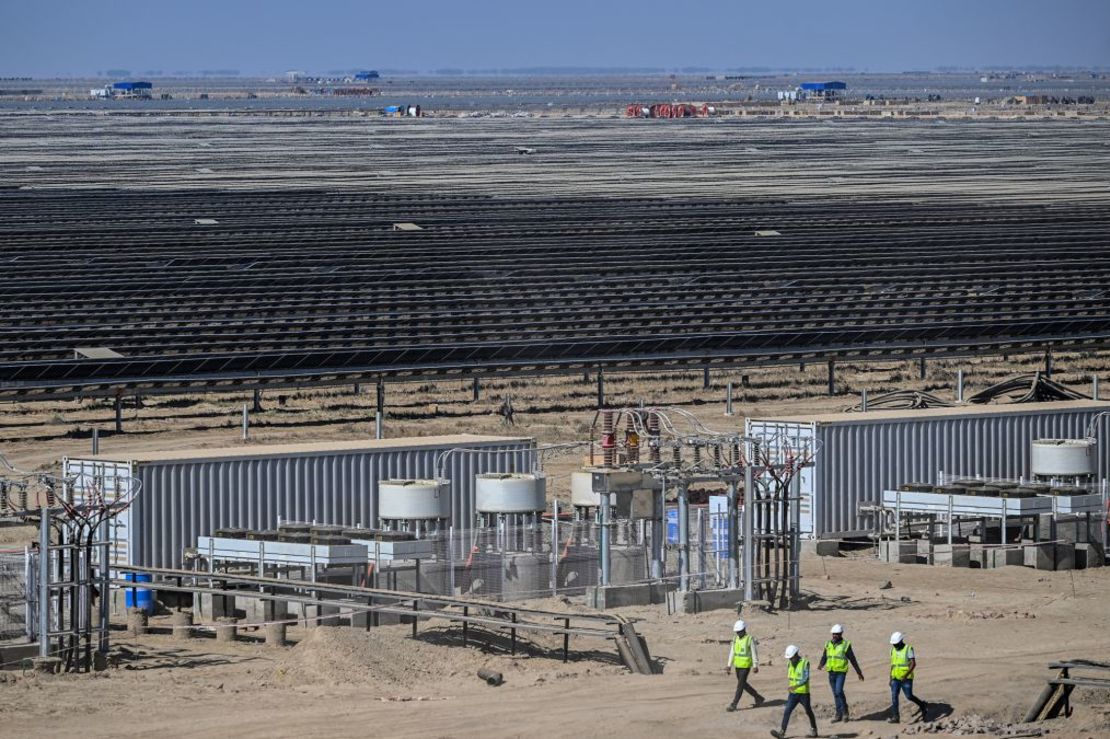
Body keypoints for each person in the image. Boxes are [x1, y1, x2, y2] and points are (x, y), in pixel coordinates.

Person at [817, 623, 865, 722]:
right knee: (835, 694)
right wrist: (821, 664)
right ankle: (838, 715)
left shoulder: (845, 645)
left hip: (841, 673)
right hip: (831, 672)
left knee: (839, 691)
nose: (835, 635)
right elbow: (825, 656)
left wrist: (859, 672)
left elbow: (853, 659)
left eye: (837, 634)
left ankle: (845, 712)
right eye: (834, 634)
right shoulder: (828, 644)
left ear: (841, 634)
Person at [771, 645, 819, 739]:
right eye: (789, 658)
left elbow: (805, 678)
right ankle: (782, 732)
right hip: (793, 694)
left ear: (796, 655)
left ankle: (814, 729)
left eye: (791, 658)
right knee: (787, 711)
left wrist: (795, 686)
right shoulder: (789, 663)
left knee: (808, 711)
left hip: (803, 694)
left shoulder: (805, 663)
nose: (790, 660)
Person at [888, 631, 930, 724]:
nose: (894, 646)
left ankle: (922, 705)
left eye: (896, 644)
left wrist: (906, 675)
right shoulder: (892, 650)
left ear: (901, 641)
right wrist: (890, 678)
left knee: (909, 696)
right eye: (893, 644)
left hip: (906, 678)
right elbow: (892, 665)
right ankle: (896, 717)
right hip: (895, 677)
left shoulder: (908, 649)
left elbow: (913, 663)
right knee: (894, 697)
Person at [725, 619, 766, 712]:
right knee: (743, 684)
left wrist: (755, 665)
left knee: (740, 685)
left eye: (739, 632)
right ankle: (758, 697)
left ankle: (734, 704)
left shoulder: (749, 639)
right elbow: (732, 652)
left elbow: (754, 652)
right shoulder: (735, 639)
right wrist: (728, 665)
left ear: (744, 630)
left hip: (746, 666)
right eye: (737, 632)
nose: (738, 633)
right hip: (737, 665)